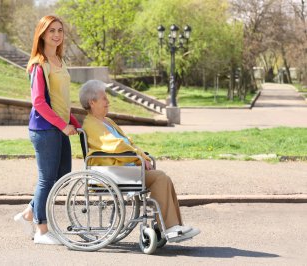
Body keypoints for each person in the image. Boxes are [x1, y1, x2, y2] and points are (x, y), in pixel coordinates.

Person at [79, 80, 200, 242]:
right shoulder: (92, 124)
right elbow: (117, 146)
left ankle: (170, 226)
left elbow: (128, 143)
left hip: (122, 170)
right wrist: (139, 159)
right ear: (92, 102)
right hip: (112, 173)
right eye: (104, 98)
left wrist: (143, 157)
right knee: (159, 178)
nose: (108, 102)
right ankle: (168, 227)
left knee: (163, 178)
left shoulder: (106, 121)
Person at [13, 15, 81, 245]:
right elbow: (39, 102)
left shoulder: (60, 61)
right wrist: (63, 125)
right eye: (51, 30)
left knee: (61, 175)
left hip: (59, 128)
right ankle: (41, 230)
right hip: (44, 129)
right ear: (42, 33)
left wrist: (74, 121)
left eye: (60, 30)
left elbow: (61, 100)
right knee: (46, 179)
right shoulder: (38, 64)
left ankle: (28, 214)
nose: (57, 34)